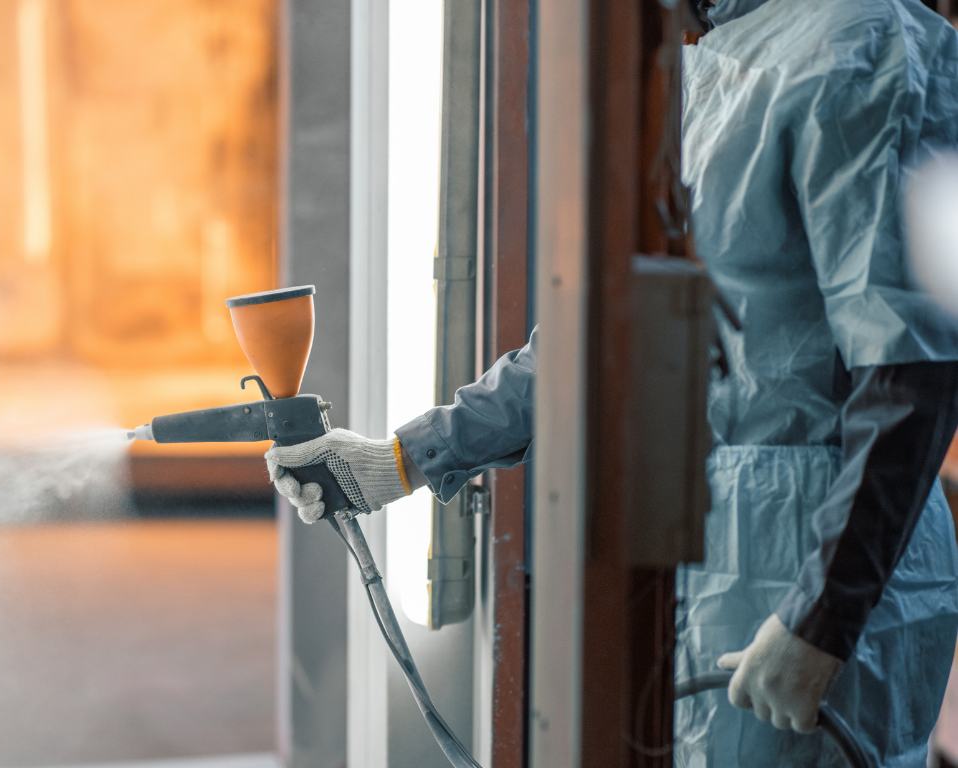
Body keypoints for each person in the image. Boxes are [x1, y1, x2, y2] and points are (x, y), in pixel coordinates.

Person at [267, 0, 958, 764]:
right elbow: (591, 341)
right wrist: (397, 460)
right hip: (713, 555)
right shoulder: (708, 65)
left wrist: (823, 617)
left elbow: (911, 367)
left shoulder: (866, 45)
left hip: (818, 555)